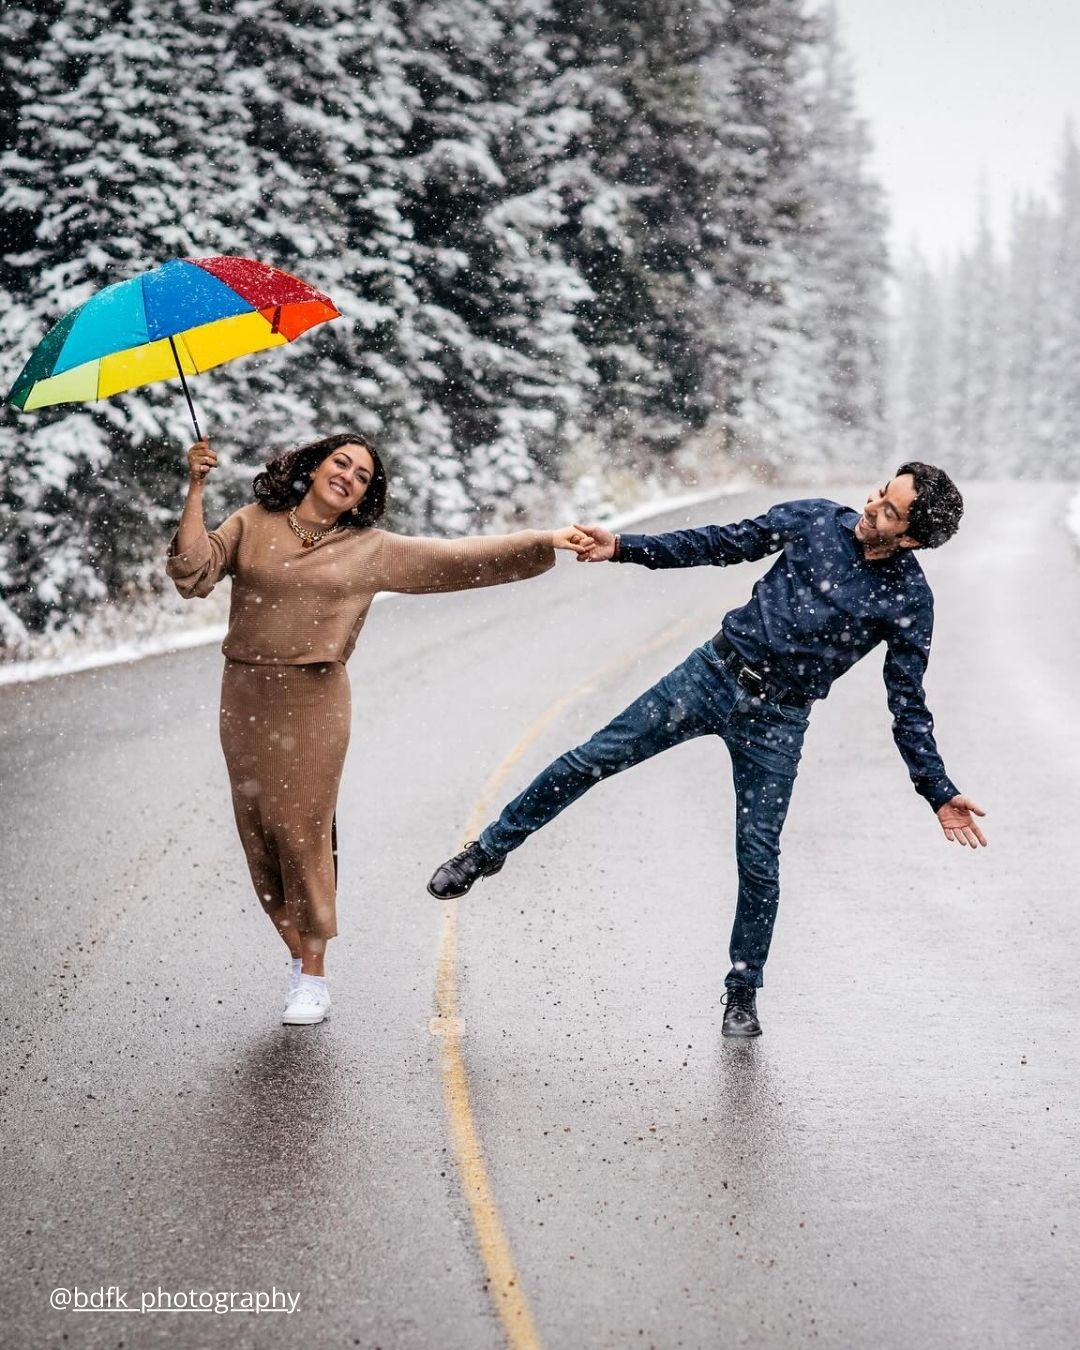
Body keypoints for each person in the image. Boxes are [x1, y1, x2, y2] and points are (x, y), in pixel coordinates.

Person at [428, 464, 987, 1038]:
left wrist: (937, 789)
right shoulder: (817, 520)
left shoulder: (909, 599)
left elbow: (908, 705)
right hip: (709, 675)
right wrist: (623, 546)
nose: (870, 506)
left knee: (759, 857)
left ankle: (743, 992)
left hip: (778, 720)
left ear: (913, 537)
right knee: (590, 758)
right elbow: (719, 542)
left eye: (889, 510)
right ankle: (488, 850)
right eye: (879, 493)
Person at [168, 433, 589, 1026]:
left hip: (316, 696)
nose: (348, 476)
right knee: (260, 832)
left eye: (362, 475)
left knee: (302, 830)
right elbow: (191, 572)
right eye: (341, 463)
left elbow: (456, 558)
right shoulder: (252, 522)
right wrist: (196, 485)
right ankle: (298, 955)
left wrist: (543, 540)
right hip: (245, 693)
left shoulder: (368, 548)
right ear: (314, 467)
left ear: (365, 494)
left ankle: (312, 976)